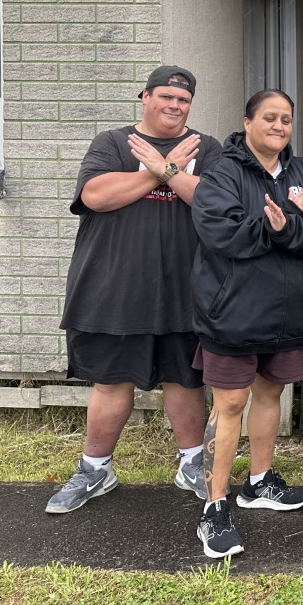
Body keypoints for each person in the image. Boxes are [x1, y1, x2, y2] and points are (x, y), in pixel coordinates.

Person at [48, 66, 222, 515]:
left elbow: (217, 202)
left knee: (184, 379)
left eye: (183, 100)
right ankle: (95, 470)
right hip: (115, 290)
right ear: (144, 97)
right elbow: (96, 195)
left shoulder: (208, 148)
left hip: (185, 291)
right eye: (165, 96)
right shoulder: (113, 142)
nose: (174, 105)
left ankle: (191, 465)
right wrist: (165, 171)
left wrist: (167, 170)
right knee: (110, 382)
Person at [189, 89, 303, 559]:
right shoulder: (223, 173)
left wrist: (286, 227)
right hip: (233, 310)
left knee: (270, 394)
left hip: (289, 308)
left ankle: (259, 481)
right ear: (247, 122)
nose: (279, 126)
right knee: (230, 403)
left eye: (287, 119)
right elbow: (222, 234)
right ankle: (214, 506)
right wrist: (288, 218)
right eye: (269, 117)